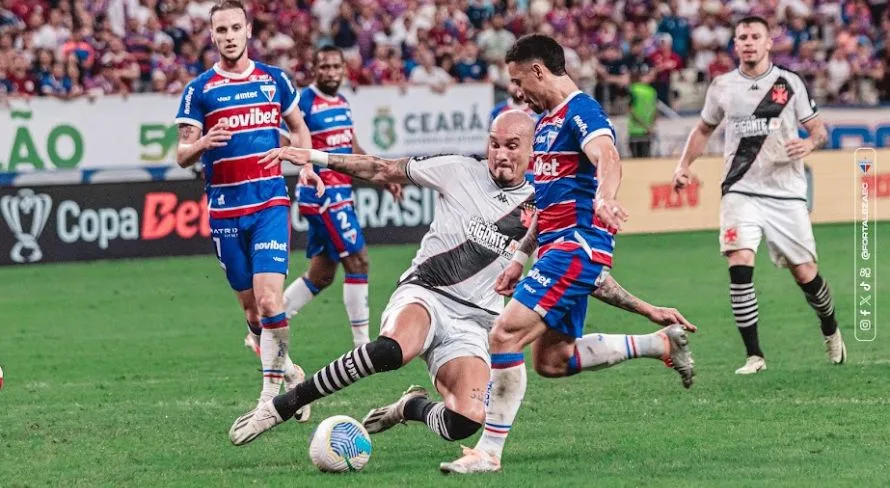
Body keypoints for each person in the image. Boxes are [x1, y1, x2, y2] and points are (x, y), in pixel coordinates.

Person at [227, 111, 697, 450]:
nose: (500, 154)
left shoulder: (546, 203)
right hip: (425, 294)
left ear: (533, 150)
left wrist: (646, 308)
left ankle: (409, 407)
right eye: (495, 143)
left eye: (513, 145)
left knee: (465, 422)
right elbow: (380, 167)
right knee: (393, 349)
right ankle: (283, 405)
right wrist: (312, 155)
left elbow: (589, 277)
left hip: (478, 325)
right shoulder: (459, 169)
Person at [441, 34, 695, 474]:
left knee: (503, 335)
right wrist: (520, 257)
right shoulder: (543, 125)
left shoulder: (582, 111)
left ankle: (488, 453)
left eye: (520, 81)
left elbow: (608, 156)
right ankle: (658, 344)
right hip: (556, 251)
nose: (518, 92)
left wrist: (605, 197)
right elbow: (544, 203)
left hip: (577, 246)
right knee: (553, 361)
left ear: (539, 71)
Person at [671, 16, 846, 375]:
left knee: (805, 273)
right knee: (739, 260)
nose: (748, 42)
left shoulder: (788, 83)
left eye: (755, 37)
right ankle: (755, 355)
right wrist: (683, 165)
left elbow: (819, 129)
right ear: (735, 45)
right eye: (742, 37)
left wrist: (809, 142)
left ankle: (830, 328)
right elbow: (703, 130)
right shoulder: (722, 86)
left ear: (769, 43)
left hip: (785, 192)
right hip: (740, 189)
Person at [173, 0, 320, 419]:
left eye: (236, 28)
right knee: (252, 311)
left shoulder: (274, 80)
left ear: (248, 30)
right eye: (222, 30)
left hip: (270, 204)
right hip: (224, 212)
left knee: (272, 303)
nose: (229, 36)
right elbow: (182, 154)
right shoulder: (199, 90)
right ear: (213, 35)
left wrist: (306, 164)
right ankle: (289, 370)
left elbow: (298, 127)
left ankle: (270, 399)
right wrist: (201, 144)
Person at [275, 45, 400, 348]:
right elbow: (281, 136)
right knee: (358, 261)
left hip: (339, 190)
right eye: (325, 67)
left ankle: (270, 324)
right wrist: (302, 163)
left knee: (322, 274)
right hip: (322, 192)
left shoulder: (342, 102)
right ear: (314, 69)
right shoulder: (304, 101)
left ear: (344, 70)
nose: (331, 72)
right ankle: (363, 346)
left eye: (336, 67)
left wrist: (382, 174)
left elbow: (351, 148)